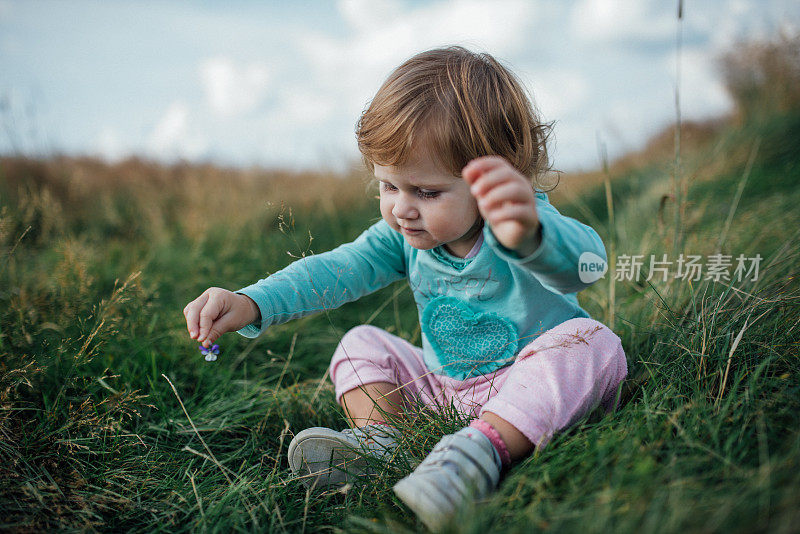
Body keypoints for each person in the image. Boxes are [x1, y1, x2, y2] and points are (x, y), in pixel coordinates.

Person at [183, 46, 627, 531]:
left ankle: (478, 453)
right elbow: (335, 270)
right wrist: (252, 301)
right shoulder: (402, 238)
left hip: (529, 384)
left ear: (497, 181)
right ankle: (381, 443)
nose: (401, 209)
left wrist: (533, 239)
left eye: (427, 192)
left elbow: (587, 266)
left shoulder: (521, 223)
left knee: (591, 345)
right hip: (440, 390)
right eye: (388, 186)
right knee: (359, 344)